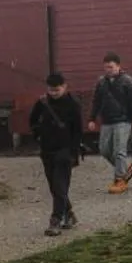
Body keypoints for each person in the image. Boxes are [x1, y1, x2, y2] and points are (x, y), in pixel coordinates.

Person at [29, 72, 84, 236]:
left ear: (65, 87)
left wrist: (74, 152)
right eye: (51, 90)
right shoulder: (42, 102)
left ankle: (55, 220)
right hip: (47, 150)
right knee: (54, 187)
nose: (53, 93)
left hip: (65, 150)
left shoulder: (73, 104)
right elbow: (33, 120)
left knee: (60, 185)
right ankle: (70, 214)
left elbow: (78, 130)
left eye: (57, 90)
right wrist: (38, 134)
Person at [87, 52, 132, 194]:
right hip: (106, 121)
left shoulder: (127, 81)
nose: (108, 70)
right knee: (104, 150)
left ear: (118, 66)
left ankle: (119, 179)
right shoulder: (101, 82)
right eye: (105, 67)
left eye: (110, 67)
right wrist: (92, 118)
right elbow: (96, 101)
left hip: (123, 120)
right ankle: (123, 170)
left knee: (119, 150)